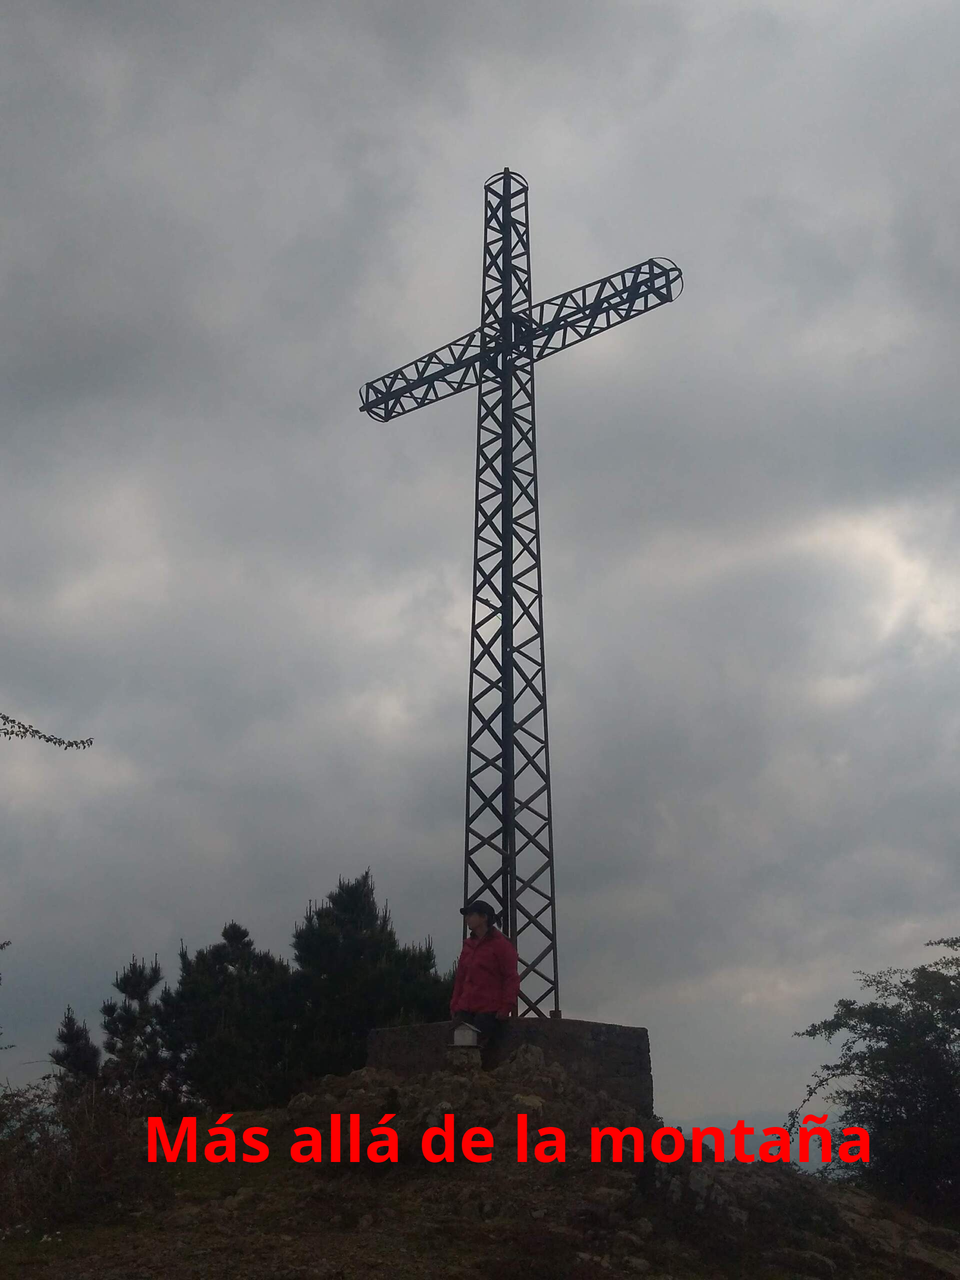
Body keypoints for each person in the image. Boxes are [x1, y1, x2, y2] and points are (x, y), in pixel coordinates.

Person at [450, 899, 520, 1044]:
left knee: (477, 1049)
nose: (467, 918)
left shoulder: (501, 945)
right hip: (465, 1008)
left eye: (471, 914)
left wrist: (506, 1007)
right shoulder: (468, 946)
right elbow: (460, 978)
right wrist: (455, 1004)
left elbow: (511, 977)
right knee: (458, 1050)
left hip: (489, 1011)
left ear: (484, 917)